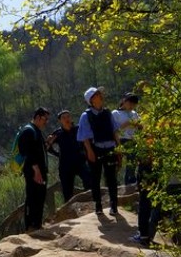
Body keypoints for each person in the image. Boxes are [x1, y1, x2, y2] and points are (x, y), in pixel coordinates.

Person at [77, 86, 120, 216]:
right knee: (95, 178)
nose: (100, 96)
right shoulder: (86, 116)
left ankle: (114, 205)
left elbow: (115, 131)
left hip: (110, 148)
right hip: (95, 148)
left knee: (111, 177)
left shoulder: (108, 113)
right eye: (96, 95)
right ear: (91, 100)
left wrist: (119, 149)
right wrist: (89, 151)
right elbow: (84, 136)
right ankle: (98, 205)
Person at [47, 109, 91, 203]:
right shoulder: (58, 133)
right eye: (64, 118)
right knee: (67, 191)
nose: (67, 119)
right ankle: (69, 213)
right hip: (65, 165)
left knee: (89, 181)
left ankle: (90, 203)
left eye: (68, 117)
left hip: (80, 162)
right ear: (60, 121)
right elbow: (47, 146)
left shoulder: (78, 129)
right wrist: (57, 154)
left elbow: (87, 142)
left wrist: (87, 154)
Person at [17, 107, 50, 230]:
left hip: (39, 170)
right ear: (37, 117)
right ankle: (31, 225)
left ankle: (37, 224)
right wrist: (36, 170)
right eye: (44, 119)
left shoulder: (36, 131)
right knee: (33, 197)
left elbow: (37, 150)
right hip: (33, 171)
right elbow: (26, 152)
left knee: (40, 196)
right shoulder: (28, 131)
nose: (46, 122)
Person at [112, 93, 141, 185]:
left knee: (132, 160)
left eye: (134, 104)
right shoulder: (116, 113)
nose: (132, 106)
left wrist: (138, 124)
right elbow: (114, 129)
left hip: (133, 139)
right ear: (124, 101)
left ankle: (130, 180)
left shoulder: (134, 113)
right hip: (120, 139)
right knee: (118, 163)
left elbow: (141, 126)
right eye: (130, 103)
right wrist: (128, 123)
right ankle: (114, 182)